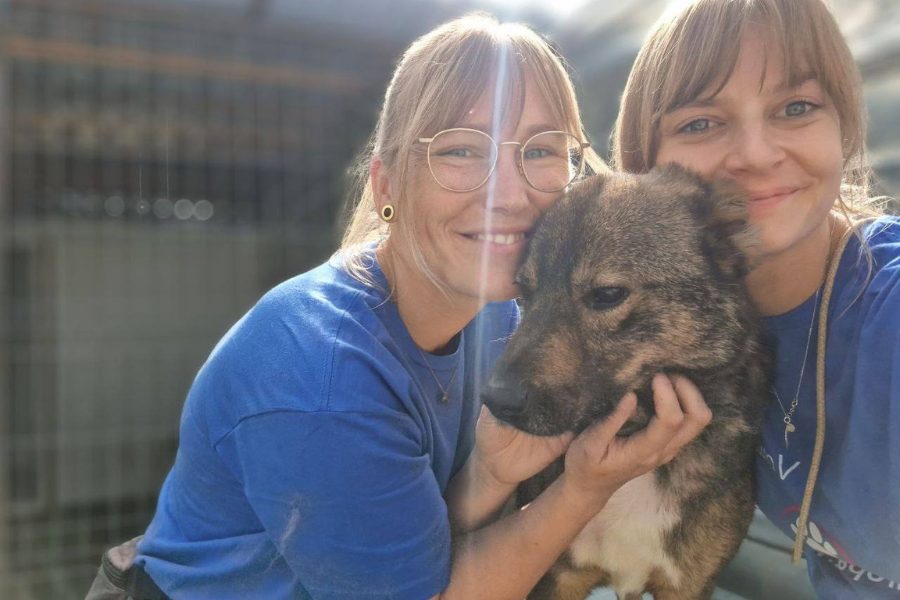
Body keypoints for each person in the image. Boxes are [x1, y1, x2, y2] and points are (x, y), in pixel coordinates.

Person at [85, 13, 711, 600]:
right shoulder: (322, 381)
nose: (509, 195)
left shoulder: (501, 312)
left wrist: (491, 474)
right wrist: (583, 489)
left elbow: (427, 544)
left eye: (542, 149)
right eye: (461, 150)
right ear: (387, 184)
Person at [612, 0, 900, 597]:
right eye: (700, 123)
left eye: (796, 108)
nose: (756, 155)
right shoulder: (657, 327)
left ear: (844, 127)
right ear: (645, 170)